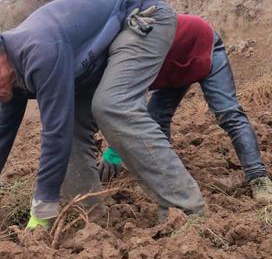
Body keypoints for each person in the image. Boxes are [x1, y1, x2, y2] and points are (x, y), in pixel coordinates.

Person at [0, 0, 206, 230]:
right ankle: (89, 224)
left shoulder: (39, 51)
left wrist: (42, 209)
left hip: (140, 18)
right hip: (96, 57)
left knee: (112, 106)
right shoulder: (13, 71)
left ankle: (188, 212)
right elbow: (2, 132)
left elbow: (55, 132)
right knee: (75, 133)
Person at [97, 14, 272, 204]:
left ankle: (258, 178)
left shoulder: (127, 53)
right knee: (157, 118)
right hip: (172, 69)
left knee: (228, 113)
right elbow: (123, 107)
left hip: (202, 45)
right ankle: (166, 180)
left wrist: (115, 151)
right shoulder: (112, 68)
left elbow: (129, 109)